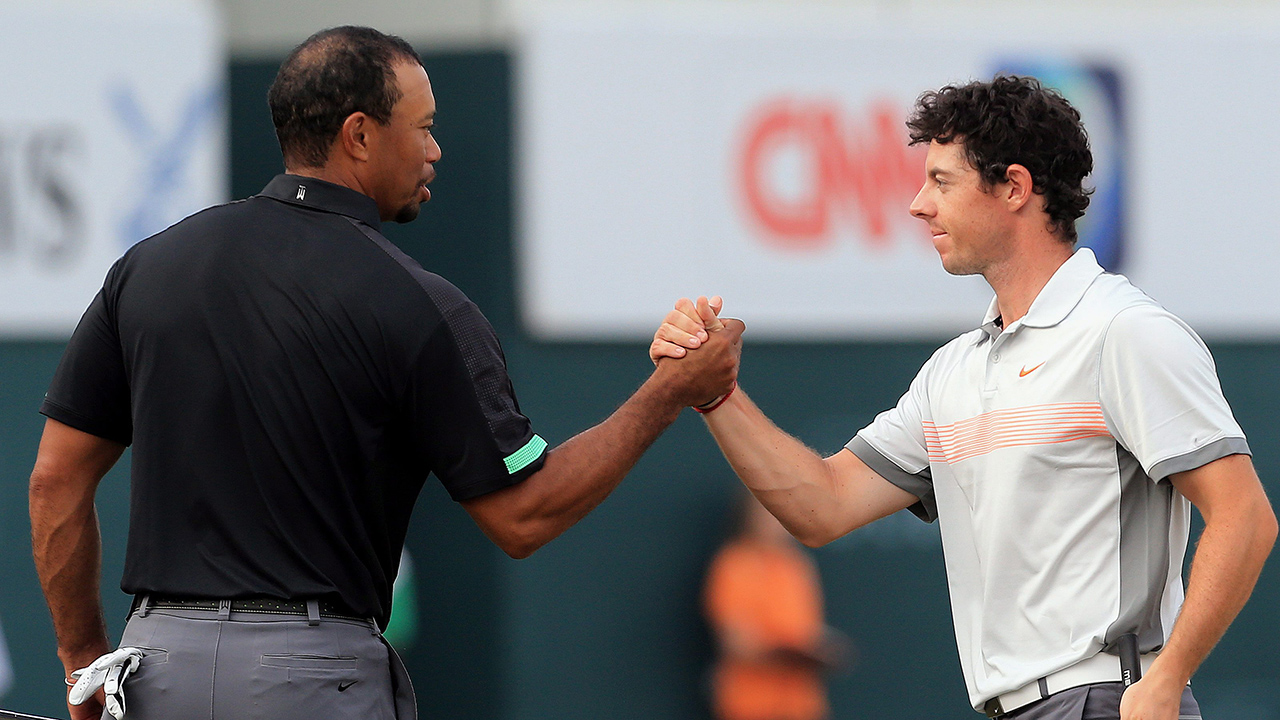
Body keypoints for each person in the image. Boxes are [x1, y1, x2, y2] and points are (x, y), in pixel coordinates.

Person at [28, 26, 742, 720]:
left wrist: (84, 660)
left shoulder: (148, 267)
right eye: (422, 126)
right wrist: (670, 390)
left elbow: (56, 478)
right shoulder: (421, 303)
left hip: (155, 668)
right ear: (360, 135)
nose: (434, 149)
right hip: (307, 679)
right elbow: (525, 514)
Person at [653, 76, 1276, 720]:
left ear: (1014, 188)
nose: (918, 205)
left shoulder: (1125, 333)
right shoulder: (952, 372)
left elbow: (1246, 517)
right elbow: (821, 504)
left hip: (1103, 701)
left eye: (941, 181)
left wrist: (1166, 679)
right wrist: (716, 396)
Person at [704, 492, 849, 720]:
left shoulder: (796, 565)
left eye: (782, 515)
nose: (776, 522)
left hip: (801, 707)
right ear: (749, 517)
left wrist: (823, 651)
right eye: (768, 514)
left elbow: (809, 631)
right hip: (752, 706)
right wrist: (789, 653)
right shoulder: (735, 564)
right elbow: (737, 645)